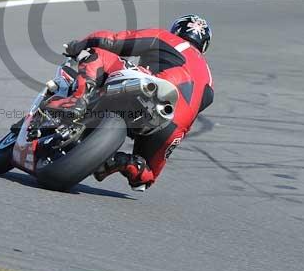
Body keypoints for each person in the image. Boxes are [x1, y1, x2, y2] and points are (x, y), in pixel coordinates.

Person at [45, 14, 214, 191]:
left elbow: (112, 41)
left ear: (177, 29)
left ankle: (76, 101)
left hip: (152, 86)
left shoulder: (167, 38)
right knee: (145, 177)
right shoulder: (209, 79)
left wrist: (77, 45)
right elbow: (200, 105)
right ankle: (124, 163)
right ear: (204, 45)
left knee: (99, 54)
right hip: (174, 124)